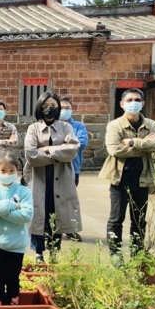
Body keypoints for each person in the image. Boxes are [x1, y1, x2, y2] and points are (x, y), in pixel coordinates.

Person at [98, 88, 155, 266]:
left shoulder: (151, 124)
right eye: (129, 100)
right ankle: (115, 254)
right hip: (119, 178)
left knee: (139, 219)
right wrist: (144, 145)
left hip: (142, 178)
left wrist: (133, 142)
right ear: (122, 104)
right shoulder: (115, 125)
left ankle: (137, 253)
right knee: (116, 218)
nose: (133, 103)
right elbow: (114, 149)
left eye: (137, 100)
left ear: (143, 103)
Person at [24, 91, 82, 264]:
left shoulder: (66, 127)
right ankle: (39, 253)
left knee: (58, 214)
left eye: (53, 106)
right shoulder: (33, 128)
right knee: (38, 215)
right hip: (39, 178)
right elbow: (31, 155)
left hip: (61, 178)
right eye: (46, 106)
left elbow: (72, 150)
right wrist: (58, 153)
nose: (49, 109)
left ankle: (54, 251)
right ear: (39, 108)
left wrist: (47, 150)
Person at [0, 151, 33, 306]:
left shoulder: (24, 190)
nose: (7, 174)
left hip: (17, 242)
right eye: (3, 170)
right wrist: (12, 205)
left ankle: (13, 304)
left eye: (11, 171)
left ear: (17, 170)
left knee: (13, 277)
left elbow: (26, 216)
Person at [59, 97, 88, 242]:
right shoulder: (51, 125)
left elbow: (81, 144)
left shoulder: (78, 126)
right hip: (53, 167)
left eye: (67, 108)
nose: (64, 111)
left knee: (69, 200)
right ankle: (50, 228)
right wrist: (68, 143)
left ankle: (69, 230)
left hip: (72, 168)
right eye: (61, 108)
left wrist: (57, 147)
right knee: (50, 199)